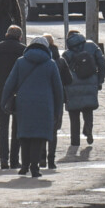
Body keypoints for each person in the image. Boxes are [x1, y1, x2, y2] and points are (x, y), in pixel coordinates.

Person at [1, 37, 64, 179]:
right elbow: (58, 90)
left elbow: (9, 84)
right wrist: (58, 110)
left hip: (24, 104)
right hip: (44, 105)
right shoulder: (51, 64)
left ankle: (24, 166)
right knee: (38, 136)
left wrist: (3, 102)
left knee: (24, 135)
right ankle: (34, 168)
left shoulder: (20, 62)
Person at [0, 23, 26, 170]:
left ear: (6, 34)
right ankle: (15, 160)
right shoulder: (23, 50)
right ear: (20, 37)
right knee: (17, 127)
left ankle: (3, 158)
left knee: (2, 127)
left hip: (0, 92)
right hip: (18, 93)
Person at [62, 30, 105, 151]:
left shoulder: (67, 53)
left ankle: (75, 141)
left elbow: (62, 71)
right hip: (90, 82)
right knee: (88, 109)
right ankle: (88, 129)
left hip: (72, 85)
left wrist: (64, 88)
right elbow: (102, 64)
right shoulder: (92, 46)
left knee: (74, 114)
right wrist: (100, 80)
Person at [43, 34, 73, 170]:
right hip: (58, 98)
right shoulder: (60, 61)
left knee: (41, 128)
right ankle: (51, 159)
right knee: (53, 130)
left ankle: (41, 157)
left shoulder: (40, 61)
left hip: (42, 97)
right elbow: (69, 80)